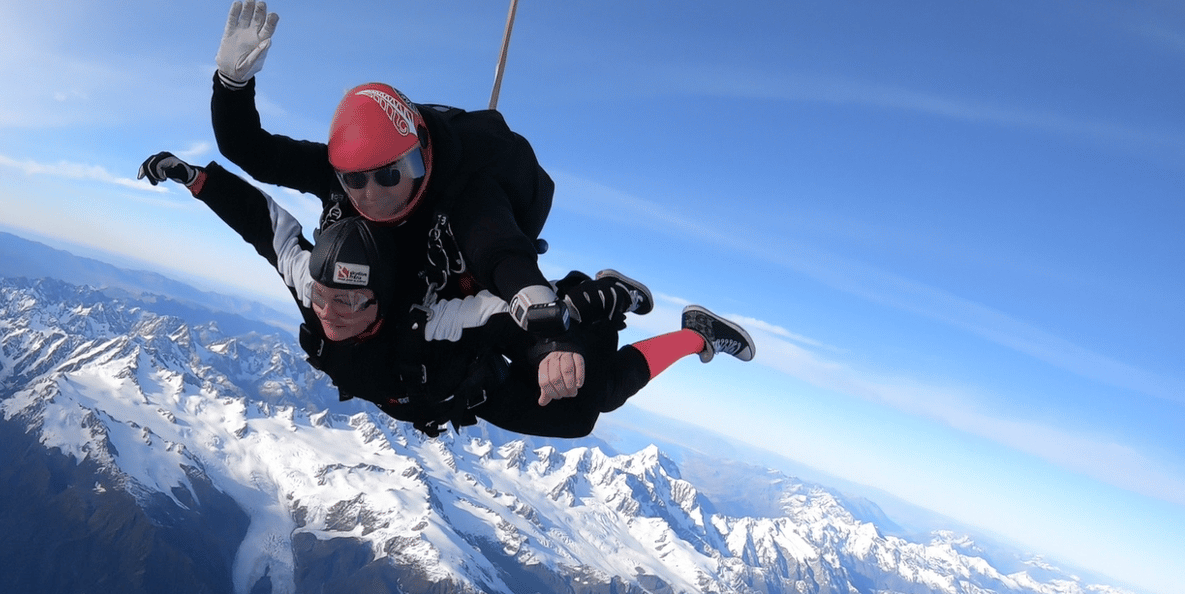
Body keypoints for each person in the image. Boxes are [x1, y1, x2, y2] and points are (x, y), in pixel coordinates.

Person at [139, 152, 755, 438]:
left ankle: (649, 316)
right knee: (581, 418)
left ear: (384, 299)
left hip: (474, 378)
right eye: (326, 299)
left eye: (352, 304)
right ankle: (666, 322)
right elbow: (264, 225)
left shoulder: (425, 320)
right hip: (443, 391)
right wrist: (195, 177)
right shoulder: (315, 283)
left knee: (587, 401)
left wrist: (558, 334)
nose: (332, 315)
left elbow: (503, 313)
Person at [209, 0, 577, 340]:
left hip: (431, 313)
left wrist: (530, 293)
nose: (371, 195)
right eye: (354, 179)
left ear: (423, 156)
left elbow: (498, 249)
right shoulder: (339, 170)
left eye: (389, 175)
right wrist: (232, 86)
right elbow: (251, 151)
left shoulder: (463, 191)